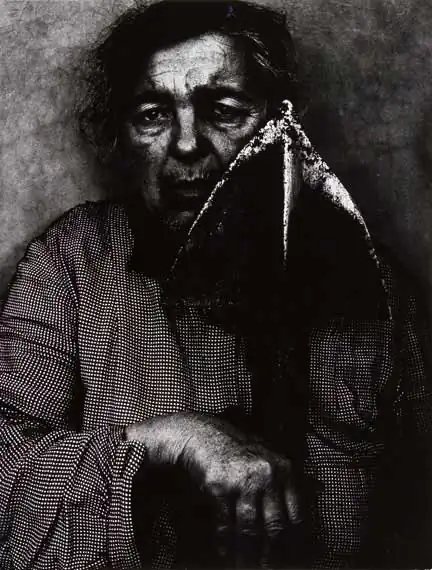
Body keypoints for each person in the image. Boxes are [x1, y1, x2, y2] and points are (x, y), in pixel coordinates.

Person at [0, 1, 430, 569]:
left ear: (279, 124)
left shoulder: (373, 290)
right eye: (153, 115)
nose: (186, 144)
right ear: (121, 135)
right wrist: (171, 441)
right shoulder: (71, 262)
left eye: (222, 110)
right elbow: (7, 479)